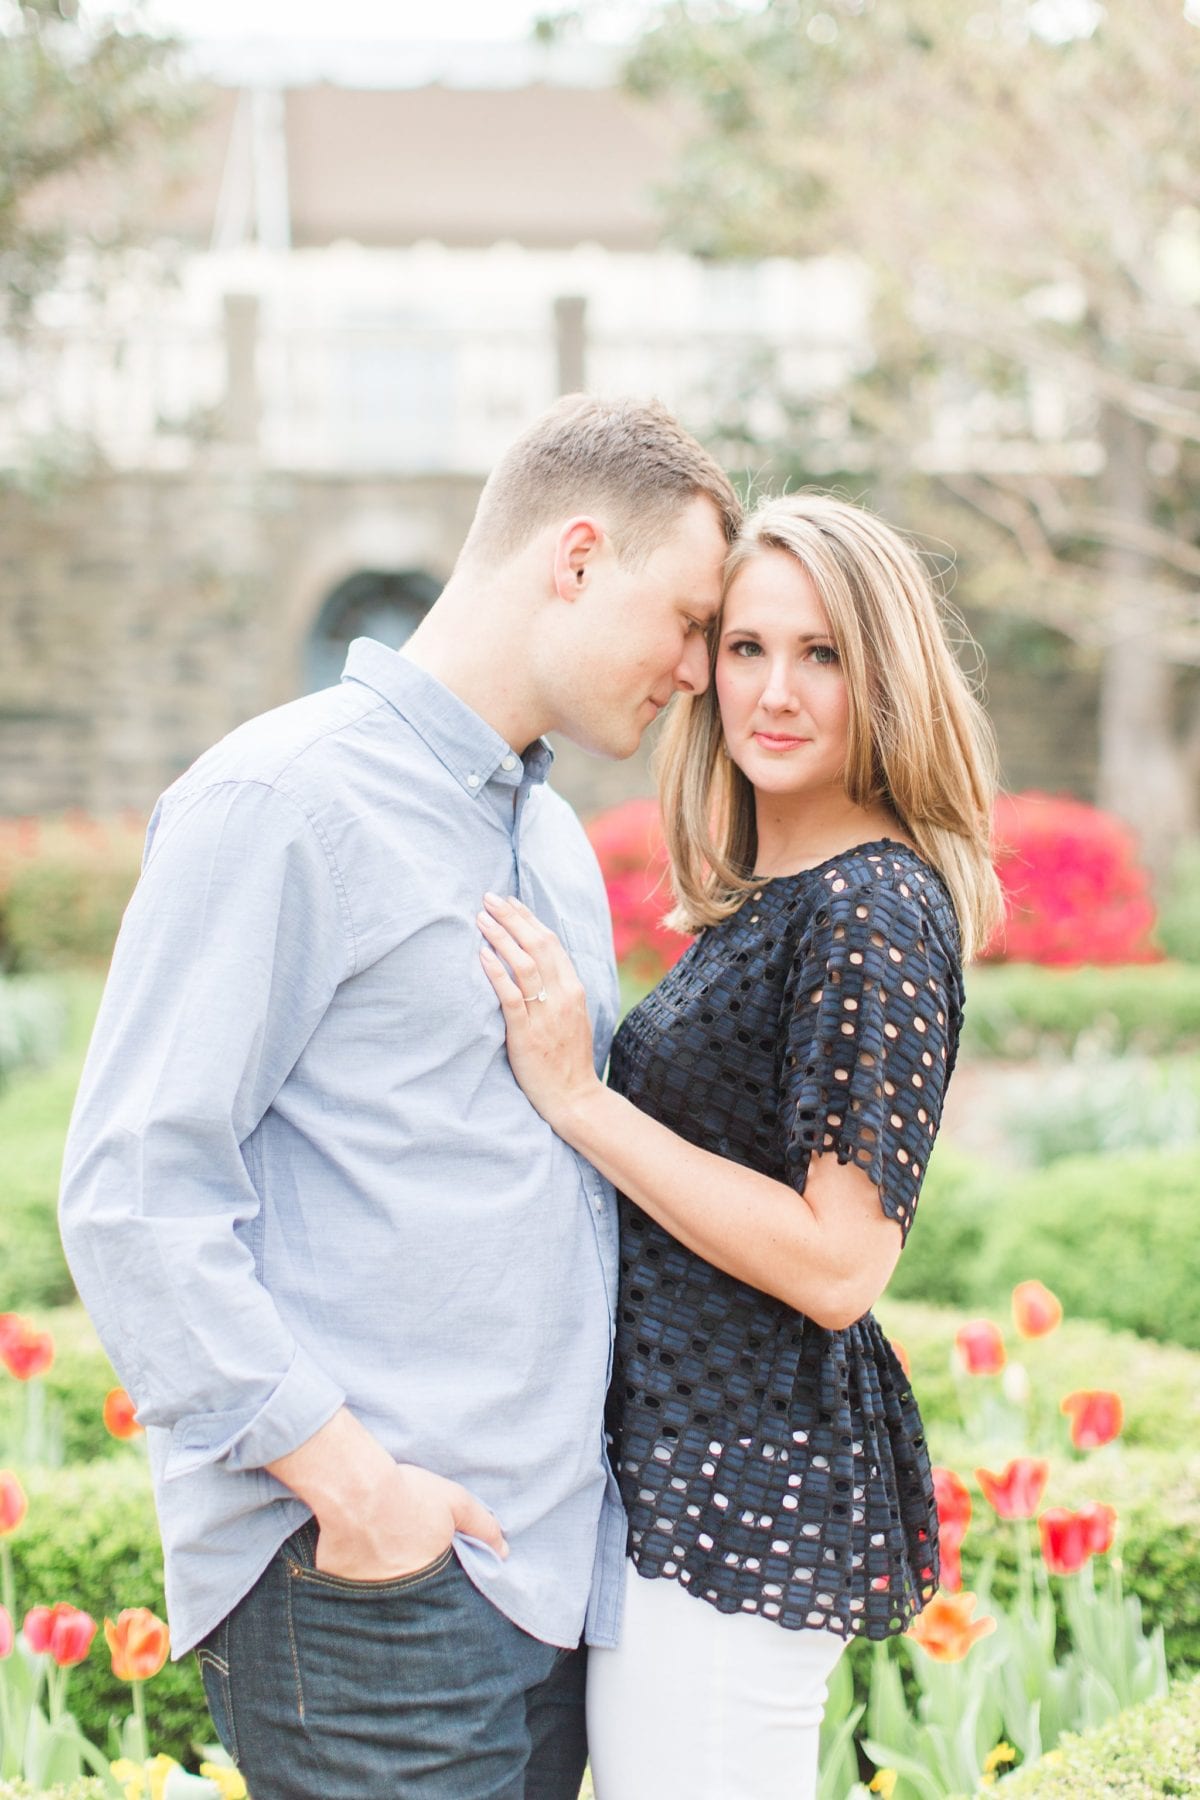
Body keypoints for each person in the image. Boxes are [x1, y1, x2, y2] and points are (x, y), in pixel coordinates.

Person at [58, 394, 740, 1800]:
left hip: (543, 1584)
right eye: (683, 620)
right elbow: (135, 1192)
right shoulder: (279, 800)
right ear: (575, 556)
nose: (698, 671)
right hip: (365, 1586)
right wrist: (359, 1496)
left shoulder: (546, 838)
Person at [478, 491, 1004, 1800]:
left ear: (882, 676)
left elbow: (840, 1264)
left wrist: (580, 1100)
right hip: (687, 1484)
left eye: (821, 653)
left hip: (745, 1494)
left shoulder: (870, 910)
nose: (774, 689)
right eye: (746, 645)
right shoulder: (784, 899)